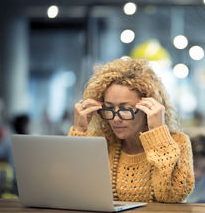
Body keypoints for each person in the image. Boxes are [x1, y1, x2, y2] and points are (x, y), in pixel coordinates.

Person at [68, 57, 194, 203]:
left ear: (148, 108)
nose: (115, 119)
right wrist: (79, 130)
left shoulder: (178, 143)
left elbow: (173, 195)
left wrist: (158, 133)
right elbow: (72, 189)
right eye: (109, 108)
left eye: (125, 109)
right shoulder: (101, 143)